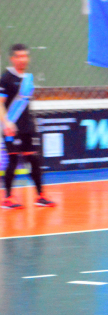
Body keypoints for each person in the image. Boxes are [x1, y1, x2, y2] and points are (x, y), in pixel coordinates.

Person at [0, 44, 54, 209]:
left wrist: (32, 121)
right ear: (13, 58)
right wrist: (6, 123)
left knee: (34, 160)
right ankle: (8, 198)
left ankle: (40, 196)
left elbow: (26, 103)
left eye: (25, 56)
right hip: (12, 127)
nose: (23, 59)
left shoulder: (28, 78)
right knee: (13, 160)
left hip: (27, 127)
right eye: (19, 56)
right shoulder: (6, 78)